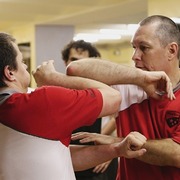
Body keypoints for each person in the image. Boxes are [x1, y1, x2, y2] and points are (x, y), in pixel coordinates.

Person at [0, 32, 154, 180]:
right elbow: (114, 98)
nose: (26, 67)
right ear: (9, 73)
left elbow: (64, 156)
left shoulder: (18, 104)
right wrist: (54, 78)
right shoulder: (41, 100)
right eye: (22, 61)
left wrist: (116, 149)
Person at [65, 15, 180, 180]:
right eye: (134, 47)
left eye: (144, 48)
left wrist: (118, 143)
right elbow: (75, 69)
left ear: (171, 50)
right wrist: (139, 77)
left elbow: (176, 155)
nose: (135, 56)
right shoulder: (130, 86)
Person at [61, 39, 118, 180]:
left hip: (95, 165)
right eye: (73, 60)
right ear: (65, 61)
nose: (76, 65)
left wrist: (108, 150)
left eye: (83, 61)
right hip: (66, 160)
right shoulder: (58, 89)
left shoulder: (101, 89)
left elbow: (118, 117)